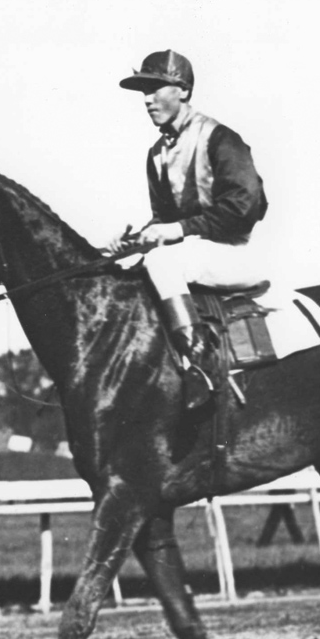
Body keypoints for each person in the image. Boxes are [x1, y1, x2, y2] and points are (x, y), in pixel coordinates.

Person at [108, 50, 269, 409]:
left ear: (182, 90)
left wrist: (177, 230)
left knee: (162, 264)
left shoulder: (220, 137)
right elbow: (164, 222)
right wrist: (133, 242)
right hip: (193, 255)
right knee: (127, 270)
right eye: (143, 93)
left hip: (236, 253)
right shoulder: (156, 153)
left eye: (155, 88)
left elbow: (247, 206)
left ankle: (202, 367)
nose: (147, 100)